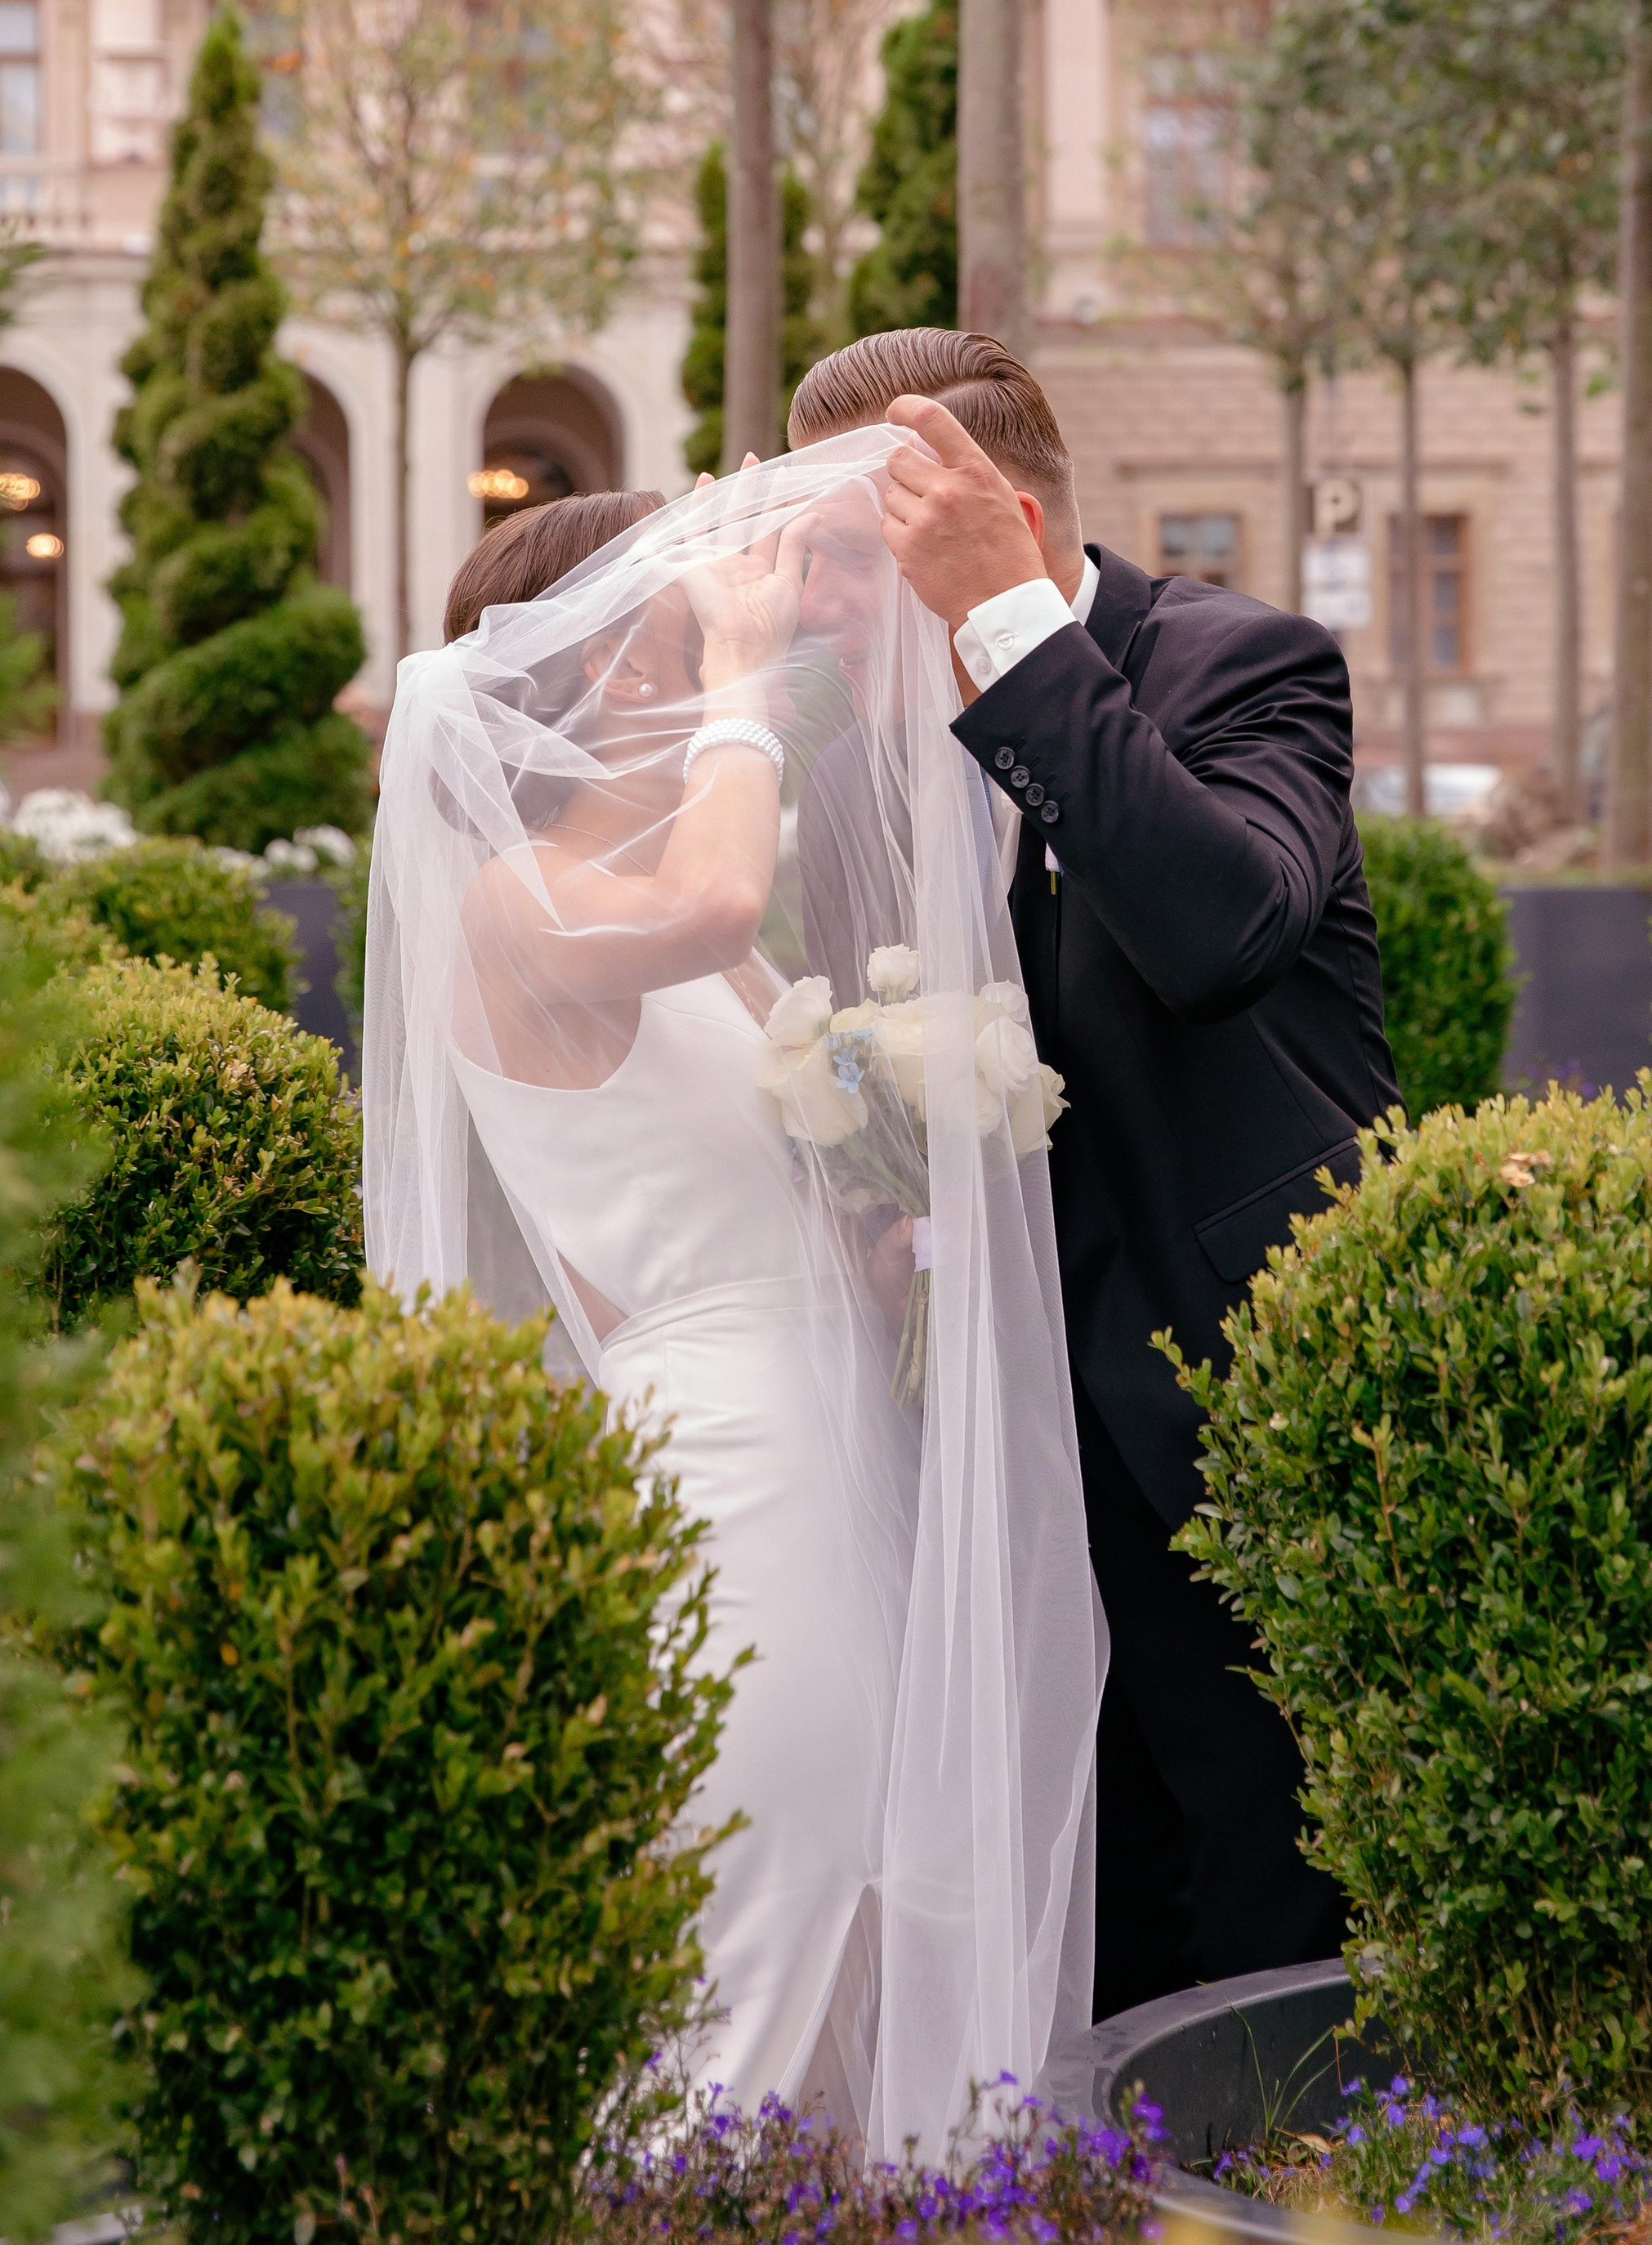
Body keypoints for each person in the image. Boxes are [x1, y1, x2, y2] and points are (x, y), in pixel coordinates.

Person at [361, 456, 1100, 2156]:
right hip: (728, 1468)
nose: (736, 606)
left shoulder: (689, 936)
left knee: (853, 1876)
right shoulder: (517, 903)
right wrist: (741, 683)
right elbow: (705, 887)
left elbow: (775, 1147)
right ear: (626, 665)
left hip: (827, 1422)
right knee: (762, 1895)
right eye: (682, 603)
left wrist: (900, 1192)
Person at [788, 329, 1402, 2021]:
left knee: (1270, 1884)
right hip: (997, 1437)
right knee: (1090, 1901)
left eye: (847, 558)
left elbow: (1215, 930)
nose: (813, 607)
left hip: (1240, 1396)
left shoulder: (1239, 667)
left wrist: (1009, 638)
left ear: (1003, 518)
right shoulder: (851, 781)